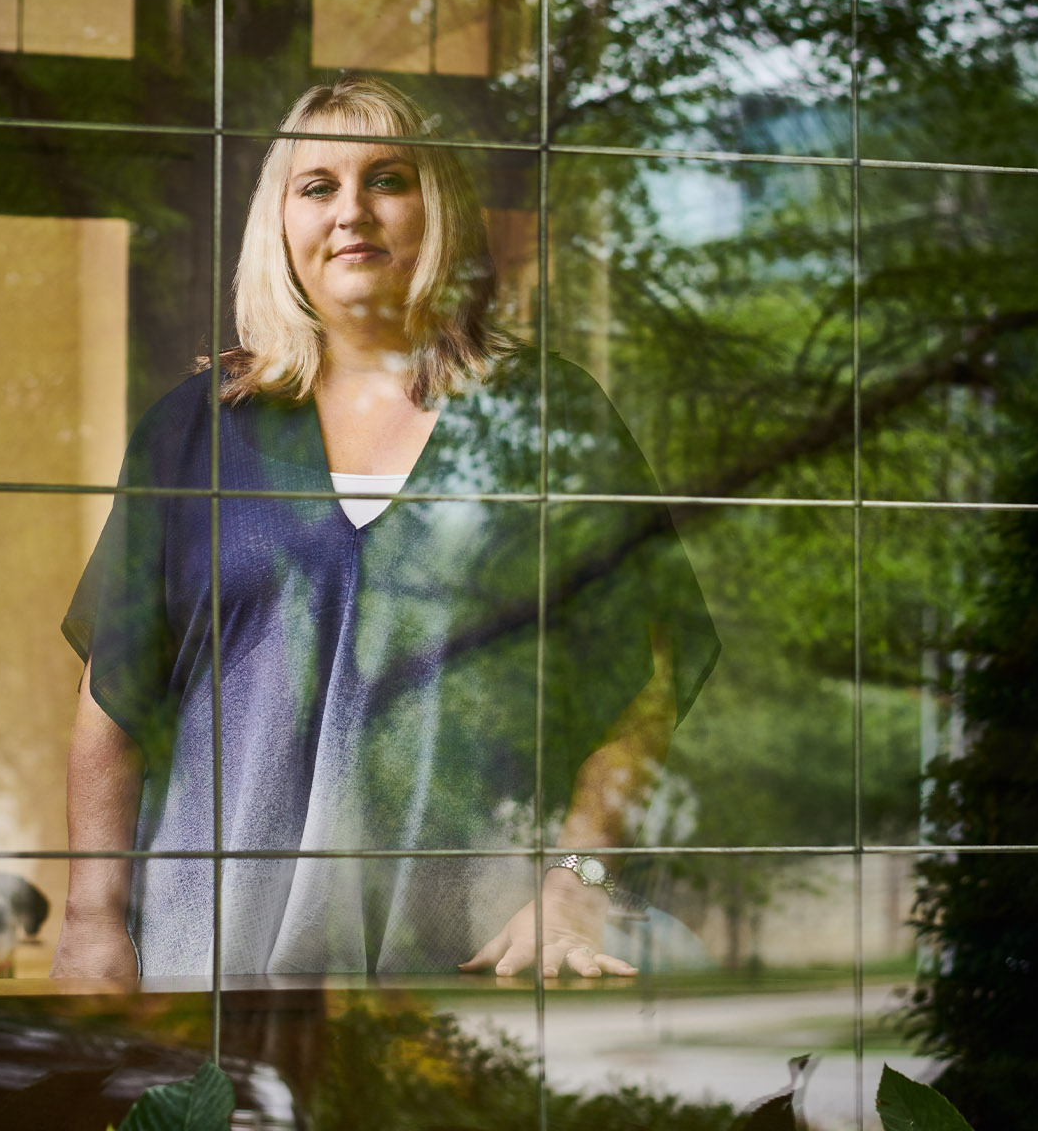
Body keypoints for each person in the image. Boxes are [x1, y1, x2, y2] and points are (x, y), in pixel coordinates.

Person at [51, 75, 717, 981]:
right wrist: (92, 922)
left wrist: (576, 883)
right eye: (317, 186)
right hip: (212, 965)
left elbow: (645, 686)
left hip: (477, 967)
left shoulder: (547, 419)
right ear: (278, 222)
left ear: (435, 207)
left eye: (389, 179)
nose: (352, 211)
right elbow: (113, 704)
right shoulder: (195, 431)